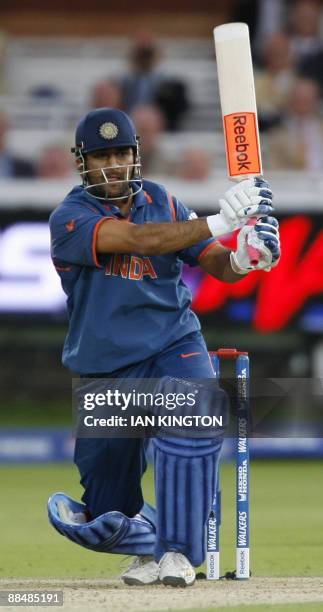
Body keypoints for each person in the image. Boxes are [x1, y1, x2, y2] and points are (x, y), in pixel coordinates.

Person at [47, 107, 280, 587]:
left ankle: (177, 549)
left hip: (173, 344)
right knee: (107, 510)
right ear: (82, 163)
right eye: (100, 157)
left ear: (136, 157)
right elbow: (139, 240)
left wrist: (245, 254)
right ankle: (149, 540)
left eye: (120, 154)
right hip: (106, 369)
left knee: (191, 423)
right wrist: (222, 221)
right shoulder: (70, 218)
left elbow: (218, 264)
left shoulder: (164, 200)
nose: (111, 166)